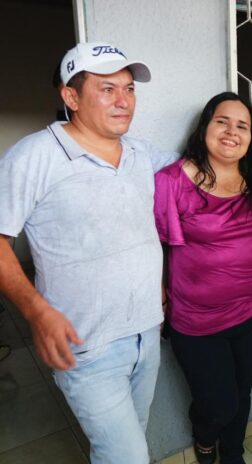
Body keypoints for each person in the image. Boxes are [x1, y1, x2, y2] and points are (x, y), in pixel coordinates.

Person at [0, 42, 178, 463]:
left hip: (146, 330)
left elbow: (208, 167)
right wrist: (38, 313)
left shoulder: (140, 152)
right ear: (71, 96)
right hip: (87, 345)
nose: (124, 101)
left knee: (126, 446)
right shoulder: (34, 156)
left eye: (129, 89)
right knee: (128, 457)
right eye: (107, 89)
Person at [153, 92, 252, 464]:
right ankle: (205, 437)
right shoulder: (171, 182)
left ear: (251, 137)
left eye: (242, 126)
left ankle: (233, 454)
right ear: (205, 126)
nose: (231, 132)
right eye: (222, 121)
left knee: (241, 393)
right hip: (198, 322)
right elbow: (153, 246)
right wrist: (158, 295)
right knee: (219, 403)